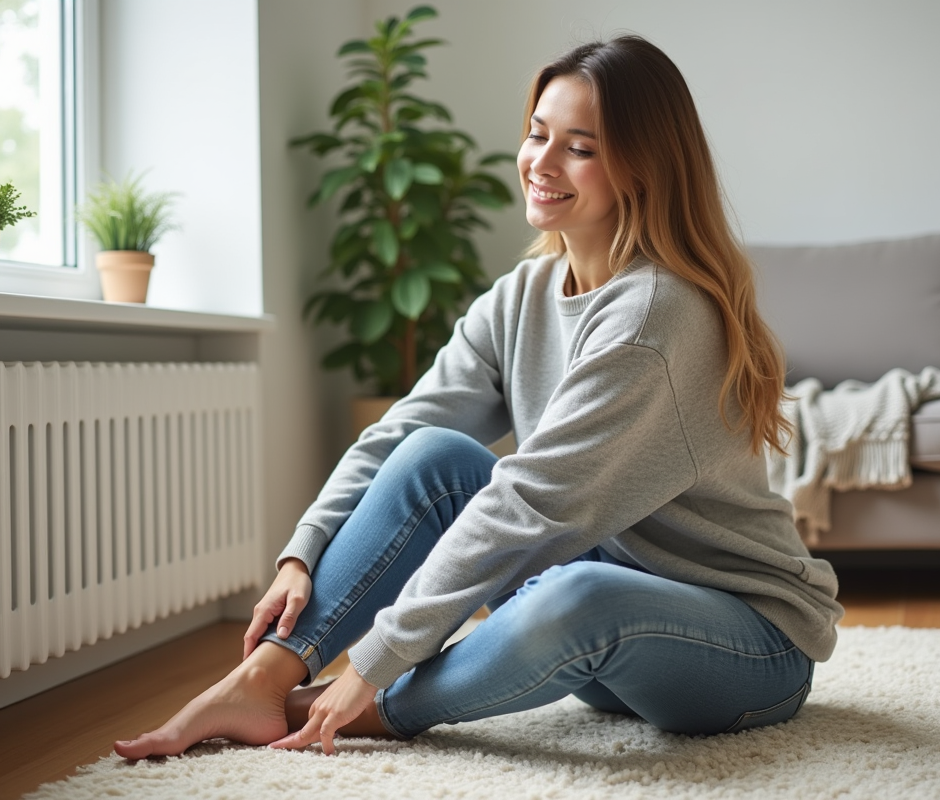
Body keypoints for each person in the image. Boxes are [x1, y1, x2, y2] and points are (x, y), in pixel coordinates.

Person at [114, 35, 843, 760]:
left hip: (747, 648)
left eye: (580, 148)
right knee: (432, 455)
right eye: (537, 135)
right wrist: (301, 552)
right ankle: (262, 681)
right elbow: (406, 430)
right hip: (595, 640)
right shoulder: (523, 295)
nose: (542, 163)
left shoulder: (657, 315)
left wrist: (372, 666)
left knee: (578, 593)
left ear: (644, 167)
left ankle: (329, 712)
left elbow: (532, 501)